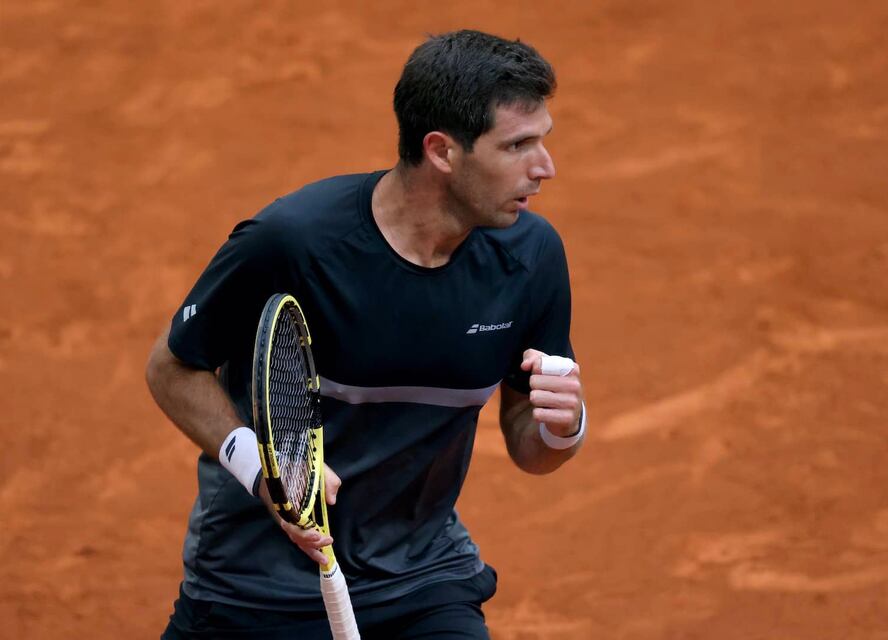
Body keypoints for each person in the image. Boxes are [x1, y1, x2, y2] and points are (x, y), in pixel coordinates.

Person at [146, 29, 586, 639]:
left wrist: (562, 429)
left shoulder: (532, 257)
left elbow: (529, 447)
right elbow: (171, 368)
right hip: (255, 585)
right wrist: (265, 474)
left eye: (543, 141)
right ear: (441, 151)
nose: (546, 168)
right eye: (518, 145)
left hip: (422, 577)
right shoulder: (293, 242)